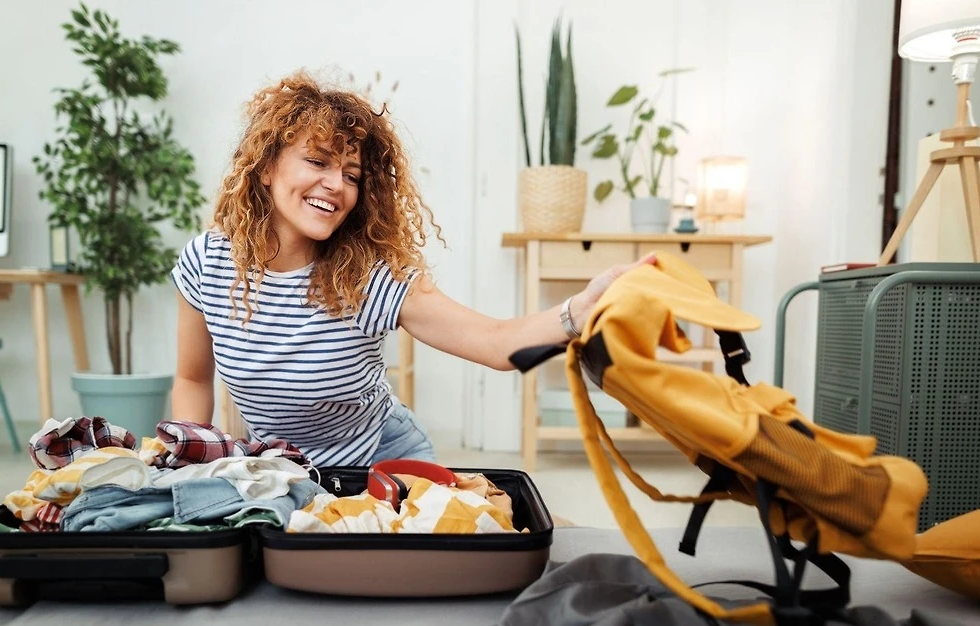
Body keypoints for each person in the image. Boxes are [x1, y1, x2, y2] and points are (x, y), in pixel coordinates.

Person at [171, 72, 654, 467]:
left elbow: (496, 342)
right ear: (265, 167)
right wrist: (194, 464)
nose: (336, 185)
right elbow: (193, 379)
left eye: (352, 175)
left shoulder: (369, 278)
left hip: (382, 461)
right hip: (278, 469)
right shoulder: (207, 264)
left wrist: (579, 309)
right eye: (317, 161)